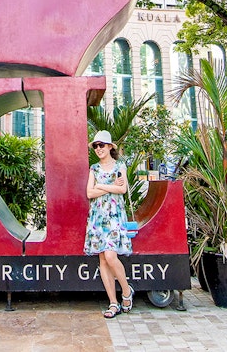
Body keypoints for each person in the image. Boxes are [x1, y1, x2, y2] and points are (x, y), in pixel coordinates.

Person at [84, 130, 134, 318]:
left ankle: (127, 292)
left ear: (110, 147)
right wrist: (109, 187)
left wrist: (101, 186)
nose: (98, 149)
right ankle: (113, 303)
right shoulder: (94, 169)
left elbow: (122, 189)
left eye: (101, 145)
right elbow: (89, 193)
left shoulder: (120, 166)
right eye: (96, 146)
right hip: (98, 217)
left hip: (114, 216)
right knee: (103, 259)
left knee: (111, 256)